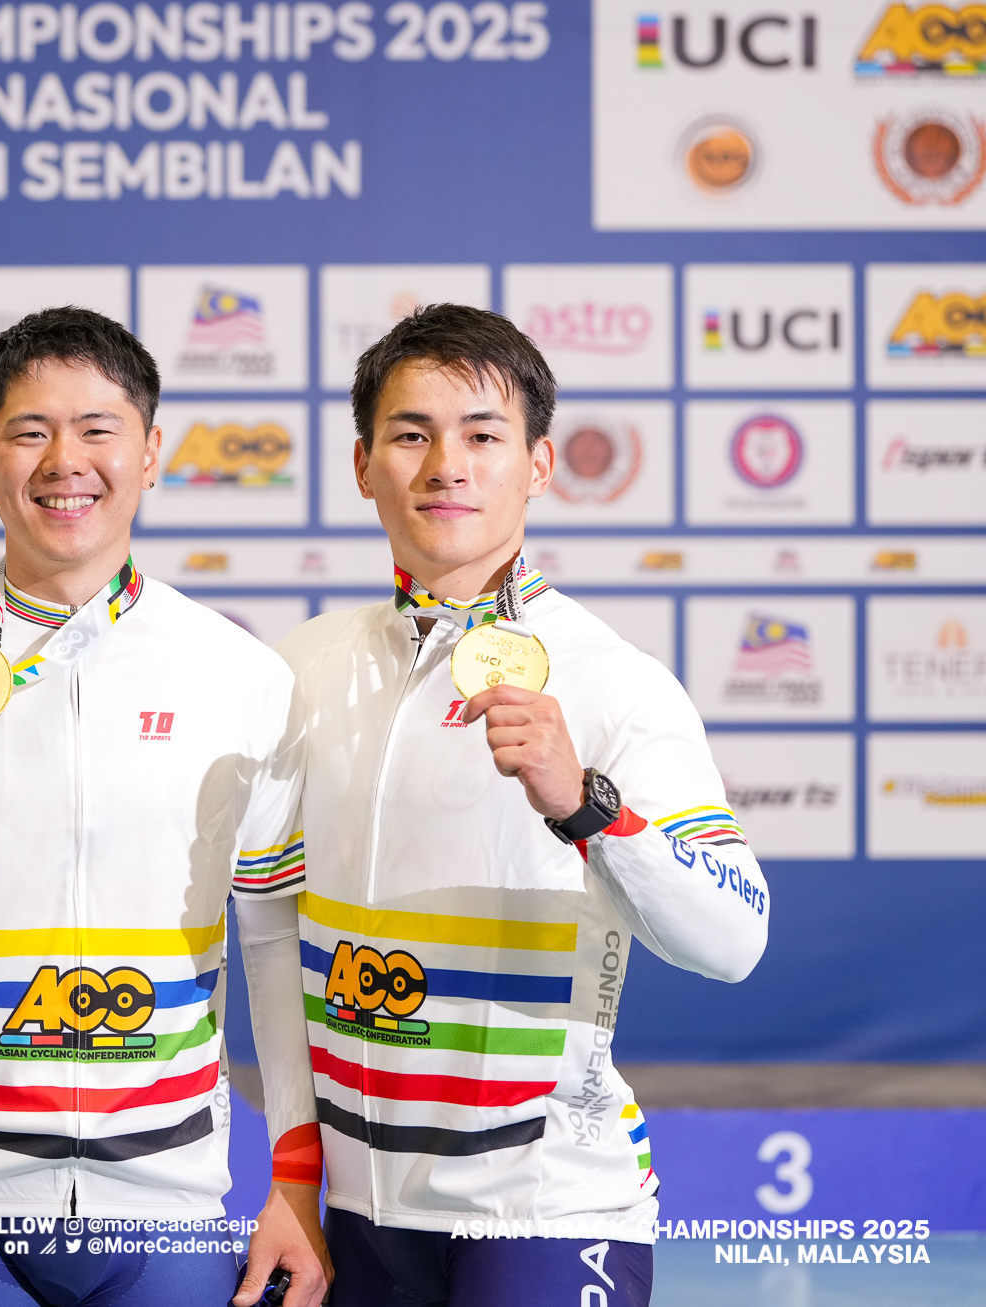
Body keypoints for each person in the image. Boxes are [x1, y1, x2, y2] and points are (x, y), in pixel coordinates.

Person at [0, 307, 332, 1307]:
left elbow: (271, 949)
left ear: (151, 452)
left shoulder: (239, 675)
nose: (64, 461)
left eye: (97, 429)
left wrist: (296, 1176)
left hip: (165, 1201)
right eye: (29, 431)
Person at [275, 304, 770, 1306]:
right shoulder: (298, 668)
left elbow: (734, 937)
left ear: (538, 465)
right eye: (411, 434)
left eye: (482, 435)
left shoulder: (614, 682)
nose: (445, 465)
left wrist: (588, 805)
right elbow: (247, 929)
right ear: (363, 462)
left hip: (546, 1207)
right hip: (361, 1214)